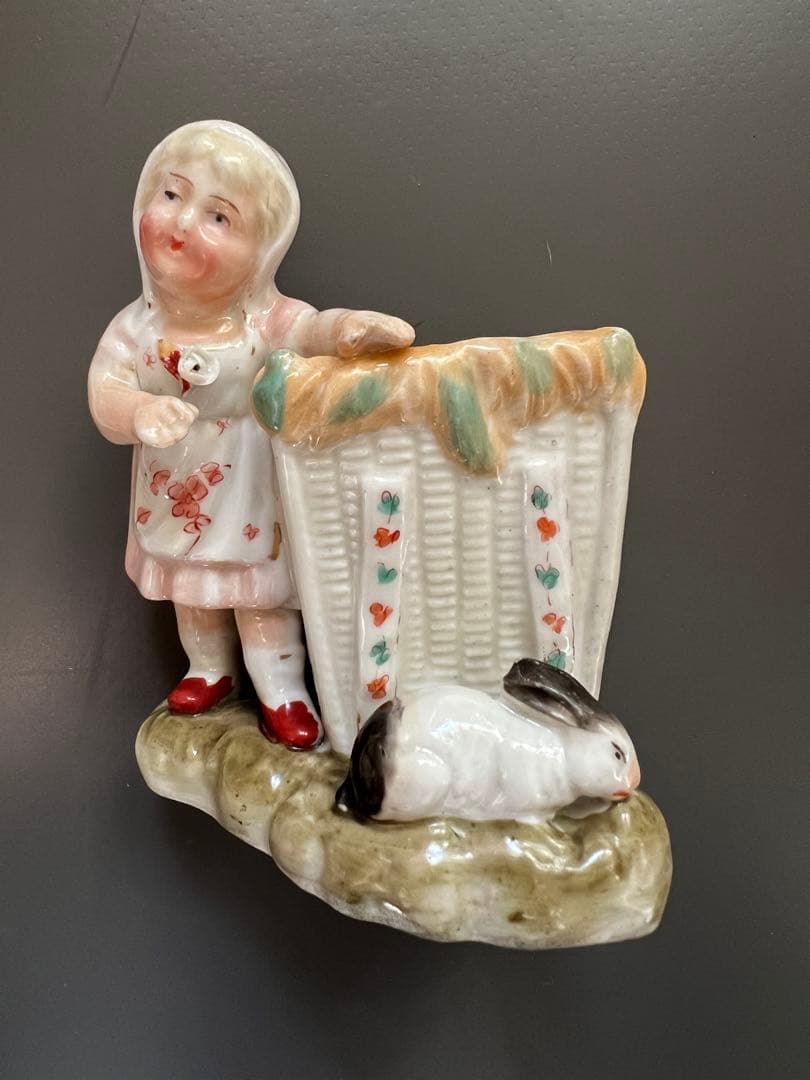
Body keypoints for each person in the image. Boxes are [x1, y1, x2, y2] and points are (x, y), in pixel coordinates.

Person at [88, 120, 414, 750]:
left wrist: (348, 330)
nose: (183, 223)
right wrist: (136, 411)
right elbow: (104, 391)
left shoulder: (263, 321)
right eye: (171, 195)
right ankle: (208, 668)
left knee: (259, 599)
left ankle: (281, 689)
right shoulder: (135, 329)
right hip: (174, 492)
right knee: (191, 593)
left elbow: (312, 331)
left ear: (261, 252)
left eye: (219, 217)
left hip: (248, 494)